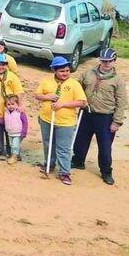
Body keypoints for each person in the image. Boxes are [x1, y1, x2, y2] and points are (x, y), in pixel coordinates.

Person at [72, 48, 128, 185]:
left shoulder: (118, 81)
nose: (106, 64)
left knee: (105, 146)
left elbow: (122, 102)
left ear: (114, 61)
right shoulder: (88, 73)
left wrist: (117, 122)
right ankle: (78, 161)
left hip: (105, 117)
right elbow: (77, 87)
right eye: (104, 61)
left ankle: (106, 171)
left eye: (109, 61)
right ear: (100, 60)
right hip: (86, 113)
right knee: (80, 140)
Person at [35, 56, 87, 185]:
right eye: (62, 71)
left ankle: (64, 172)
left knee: (63, 148)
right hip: (46, 119)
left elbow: (82, 102)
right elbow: (37, 95)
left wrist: (62, 104)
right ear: (55, 70)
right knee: (48, 143)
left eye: (67, 70)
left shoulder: (74, 84)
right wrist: (47, 96)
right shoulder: (46, 81)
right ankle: (49, 164)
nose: (65, 73)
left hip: (65, 123)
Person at [3, 94, 28, 166]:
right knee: (11, 145)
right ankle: (16, 155)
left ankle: (14, 156)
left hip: (18, 132)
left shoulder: (20, 112)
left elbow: (25, 122)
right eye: (8, 104)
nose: (10, 106)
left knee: (15, 145)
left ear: (17, 104)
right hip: (10, 132)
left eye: (13, 104)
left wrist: (24, 131)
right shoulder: (6, 112)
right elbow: (6, 120)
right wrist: (0, 121)